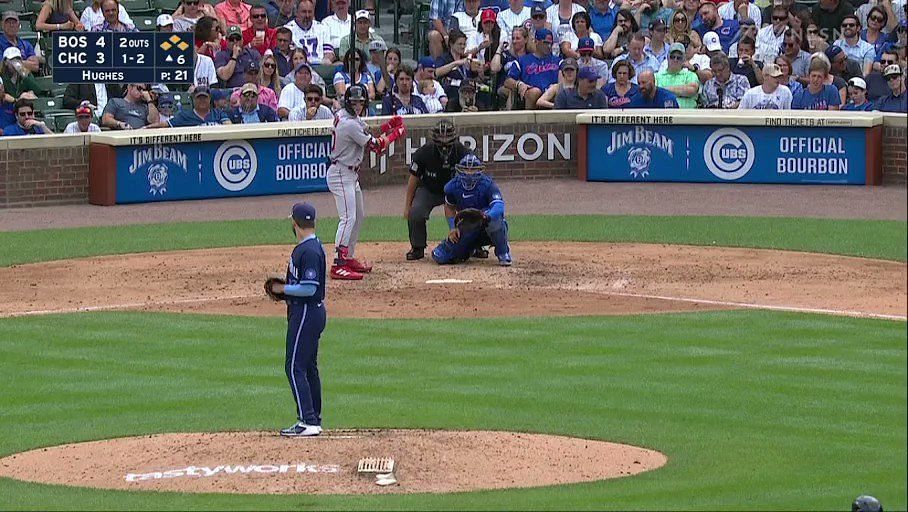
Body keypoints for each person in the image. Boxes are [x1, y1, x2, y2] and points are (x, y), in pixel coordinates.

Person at [327, 86, 404, 280]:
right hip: (341, 174)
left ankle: (348, 257)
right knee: (348, 218)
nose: (358, 106)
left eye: (361, 102)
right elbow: (376, 146)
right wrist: (396, 133)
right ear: (348, 102)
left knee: (358, 216)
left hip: (350, 174)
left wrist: (388, 126)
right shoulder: (348, 123)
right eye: (354, 102)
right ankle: (339, 263)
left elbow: (369, 132)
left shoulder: (348, 117)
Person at [271, 202, 328, 438]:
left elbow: (308, 288)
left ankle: (307, 420)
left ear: (294, 223)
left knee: (294, 367)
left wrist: (283, 289)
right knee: (308, 367)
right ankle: (313, 417)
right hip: (310, 312)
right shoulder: (310, 247)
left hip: (306, 312)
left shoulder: (310, 251)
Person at [405, 119, 470, 261]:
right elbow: (413, 179)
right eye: (440, 141)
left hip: (455, 191)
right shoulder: (424, 153)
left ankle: (474, 245)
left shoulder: (462, 152)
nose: (444, 144)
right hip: (430, 189)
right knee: (416, 212)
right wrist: (407, 206)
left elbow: (473, 177)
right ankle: (417, 247)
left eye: (447, 140)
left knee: (472, 210)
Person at [432, 154, 512, 266]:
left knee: (497, 222)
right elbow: (449, 206)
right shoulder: (452, 186)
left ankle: (503, 252)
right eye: (466, 169)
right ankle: (469, 249)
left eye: (473, 169)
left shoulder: (488, 185)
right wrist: (452, 228)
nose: (469, 173)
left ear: (479, 170)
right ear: (460, 169)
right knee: (441, 256)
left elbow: (499, 206)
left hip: (487, 224)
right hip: (468, 225)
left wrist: (486, 216)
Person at [505, 27, 560, 109]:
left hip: (552, 96)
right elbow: (507, 81)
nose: (548, 46)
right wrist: (519, 84)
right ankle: (528, 120)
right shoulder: (523, 61)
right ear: (536, 41)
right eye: (545, 43)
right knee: (534, 92)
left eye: (550, 43)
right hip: (531, 97)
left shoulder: (557, 61)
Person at [284, 0, 334, 65]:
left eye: (310, 12)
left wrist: (326, 61)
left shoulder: (322, 28)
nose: (307, 15)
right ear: (296, 12)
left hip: (320, 68)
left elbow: (329, 53)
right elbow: (289, 56)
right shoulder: (288, 30)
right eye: (304, 12)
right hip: (298, 69)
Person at [154, 86, 231, 126]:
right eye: (199, 98)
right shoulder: (185, 116)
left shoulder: (219, 113)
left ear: (210, 99)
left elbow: (229, 127)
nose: (202, 100)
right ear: (193, 99)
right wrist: (146, 128)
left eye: (205, 98)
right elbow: (166, 124)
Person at [655, 42, 699, 108]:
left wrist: (662, 90)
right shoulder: (657, 76)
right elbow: (654, 93)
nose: (675, 60)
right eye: (672, 57)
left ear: (684, 59)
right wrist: (681, 91)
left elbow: (691, 90)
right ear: (667, 57)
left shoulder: (690, 75)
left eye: (679, 58)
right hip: (664, 115)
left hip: (687, 115)